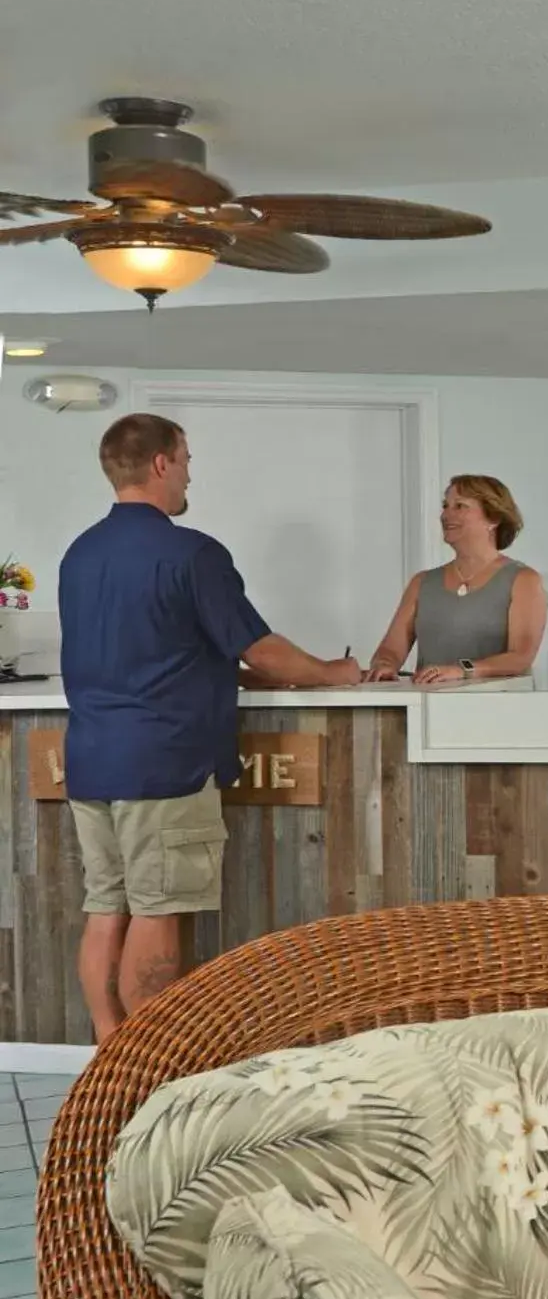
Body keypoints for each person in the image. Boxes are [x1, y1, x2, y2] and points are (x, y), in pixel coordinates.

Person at [58, 413, 360, 1042]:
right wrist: (333, 671)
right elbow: (261, 649)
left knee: (104, 908)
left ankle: (110, 1057)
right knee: (157, 913)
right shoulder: (192, 551)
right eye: (188, 458)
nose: (192, 471)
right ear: (161, 464)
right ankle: (149, 1065)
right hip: (166, 762)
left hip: (91, 760)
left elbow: (153, 651)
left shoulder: (79, 554)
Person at [365, 475, 546, 686]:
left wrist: (462, 670)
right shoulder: (422, 582)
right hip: (430, 710)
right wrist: (384, 665)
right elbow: (390, 649)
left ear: (493, 519)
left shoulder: (524, 580)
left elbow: (520, 657)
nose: (445, 515)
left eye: (460, 506)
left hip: (499, 709)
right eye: (445, 506)